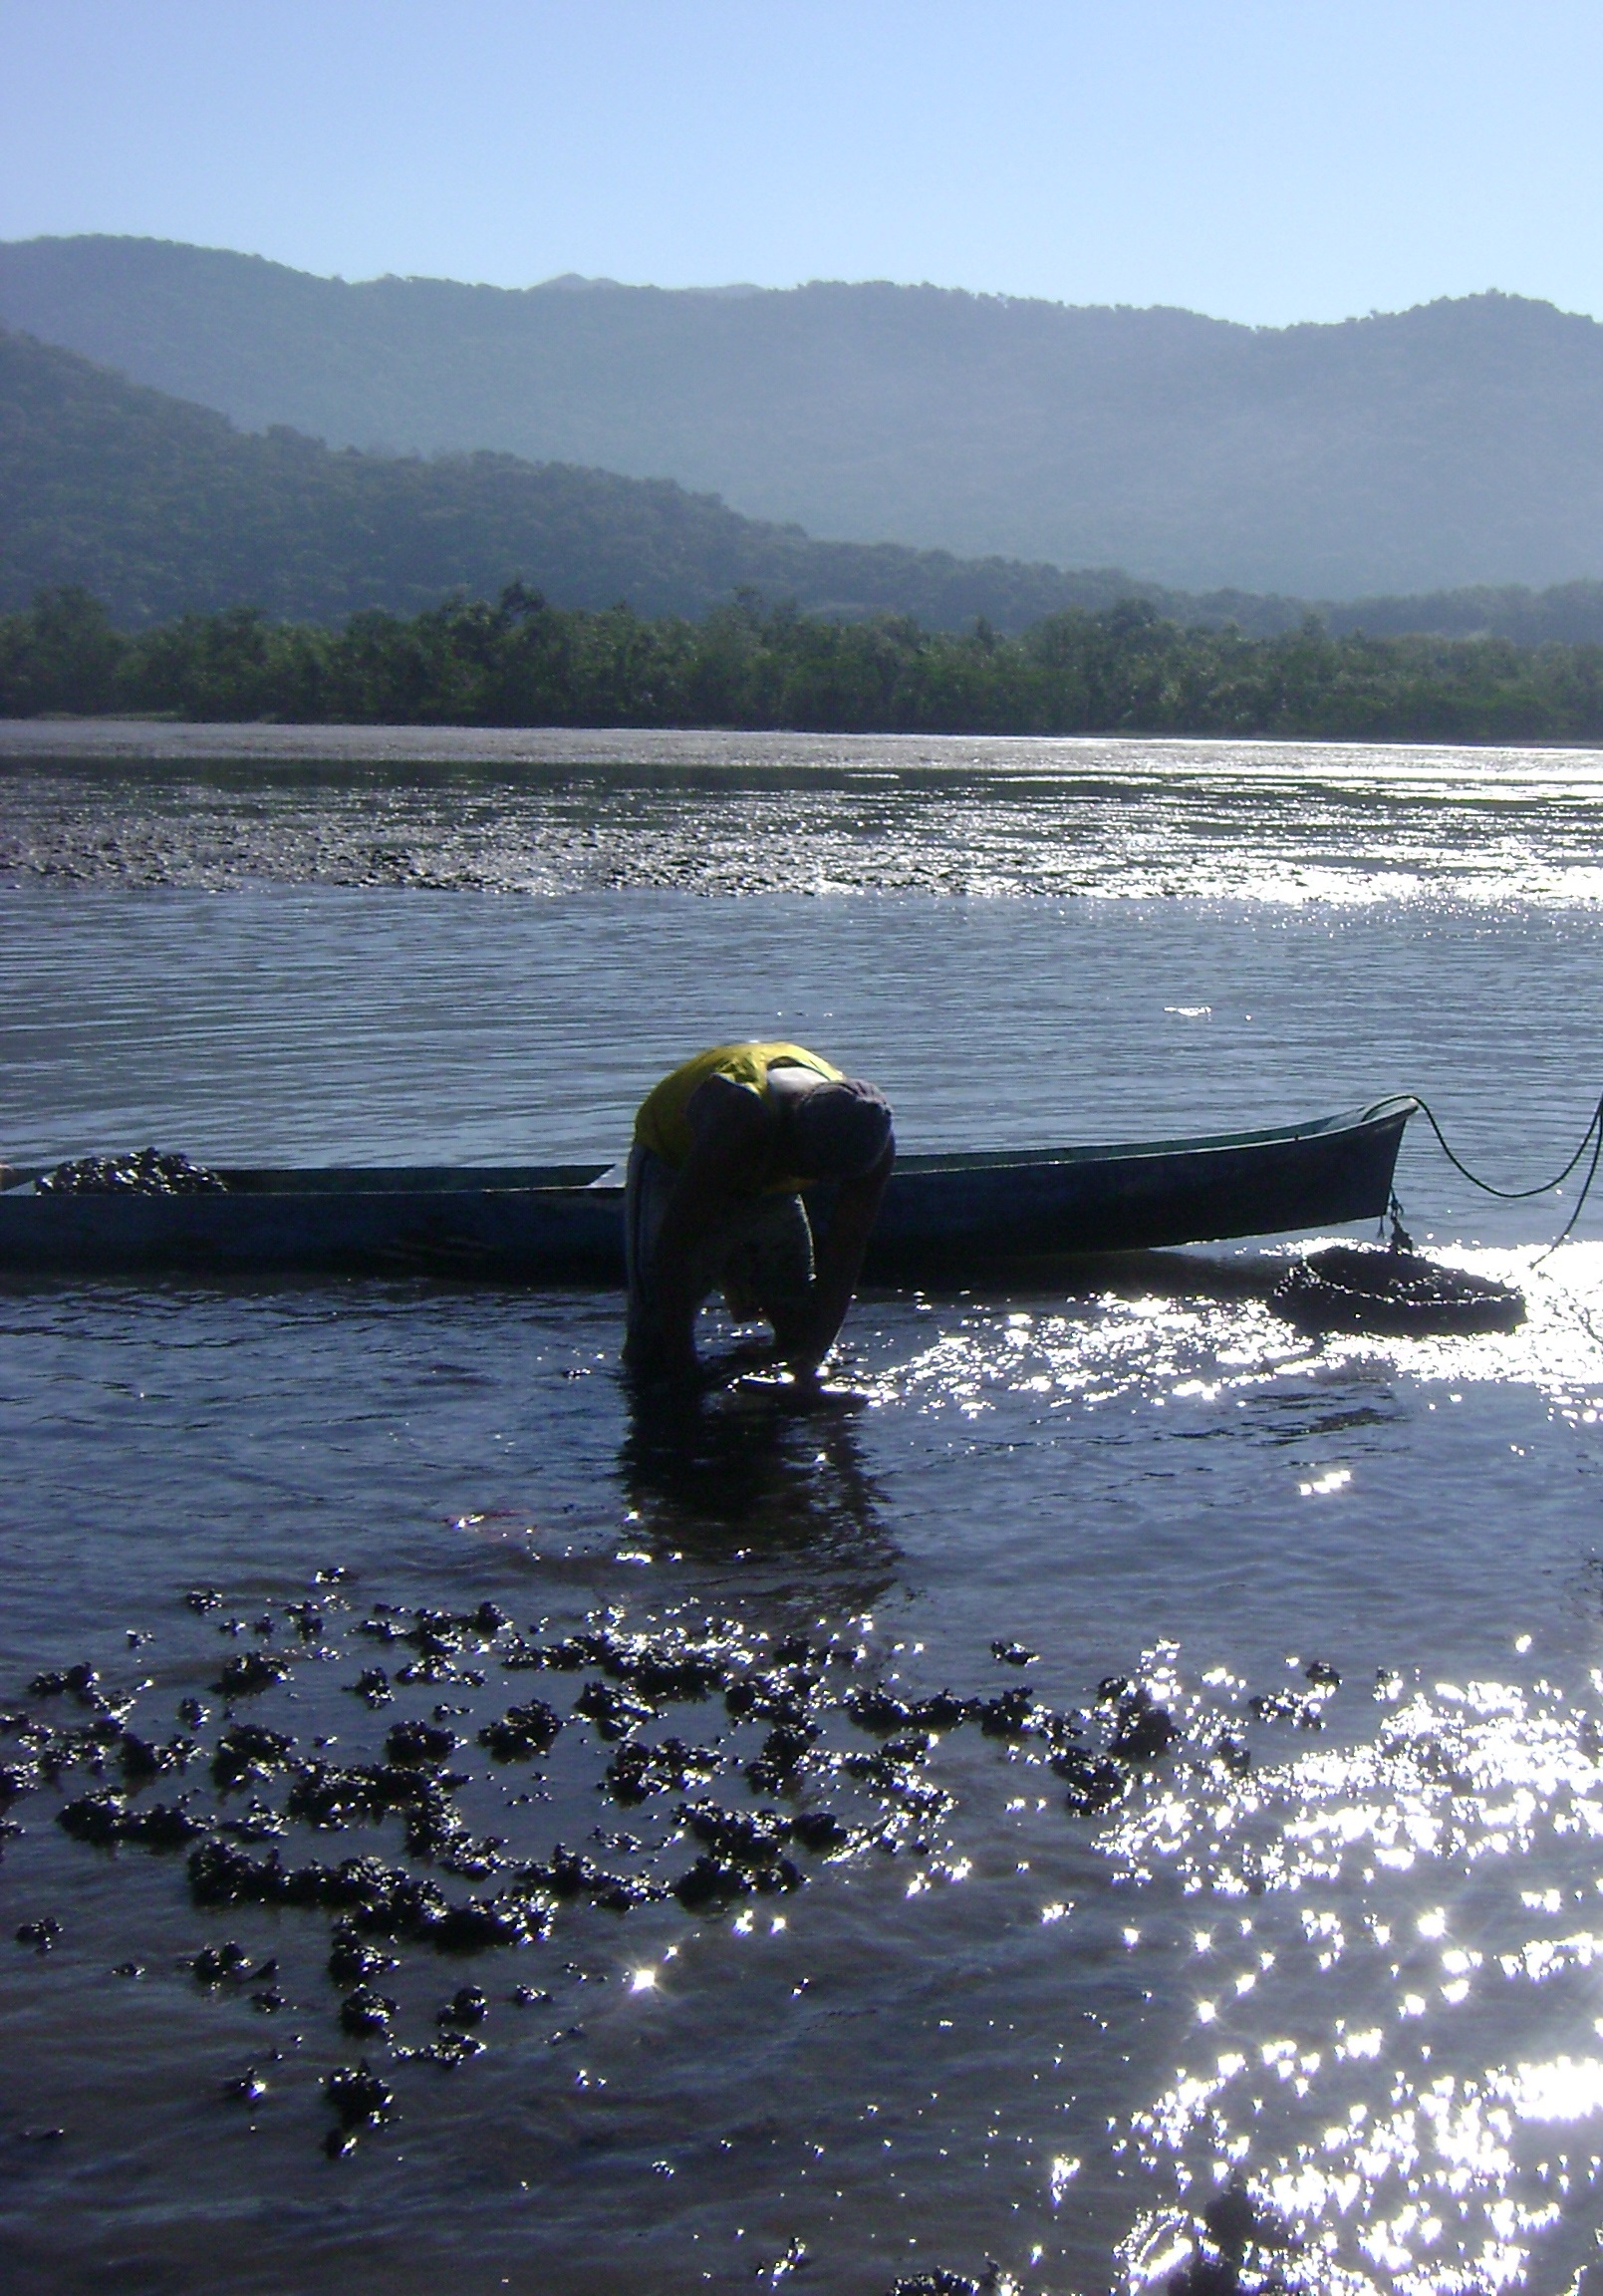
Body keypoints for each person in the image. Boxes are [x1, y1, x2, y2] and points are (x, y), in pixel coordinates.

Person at [624, 1041, 895, 1386]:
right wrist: (683, 1366)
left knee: (798, 1322)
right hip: (675, 1160)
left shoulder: (872, 1138)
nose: (818, 1182)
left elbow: (846, 1251)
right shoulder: (740, 1114)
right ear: (791, 1137)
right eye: (809, 1170)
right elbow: (676, 1246)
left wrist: (811, 1358)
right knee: (653, 1346)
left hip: (765, 1171)